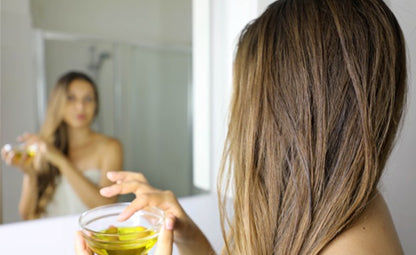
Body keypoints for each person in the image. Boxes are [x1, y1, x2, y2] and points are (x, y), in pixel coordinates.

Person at [76, 0, 407, 254]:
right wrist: (187, 234)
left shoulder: (351, 245)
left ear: (287, 109)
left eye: (247, 96)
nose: (239, 116)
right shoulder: (314, 204)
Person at [1, 71, 123, 220]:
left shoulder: (110, 147)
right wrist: (30, 174)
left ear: (96, 105)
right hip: (49, 237)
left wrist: (61, 161)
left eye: (88, 99)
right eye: (71, 98)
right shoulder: (43, 148)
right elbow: (26, 216)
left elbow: (106, 208)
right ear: (58, 102)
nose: (80, 106)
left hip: (89, 239)